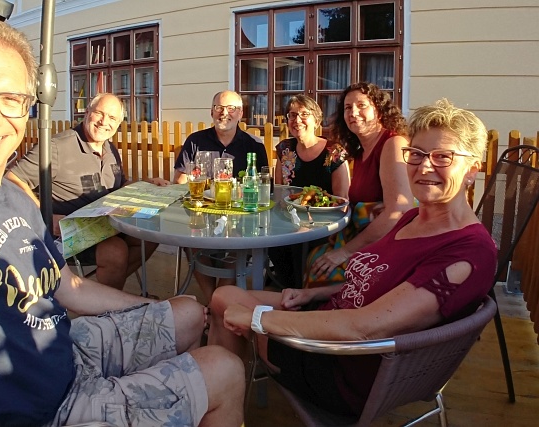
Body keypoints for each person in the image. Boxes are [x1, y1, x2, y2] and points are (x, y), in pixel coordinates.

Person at [0, 17, 244, 427]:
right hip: (43, 409)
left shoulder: (16, 196)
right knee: (225, 369)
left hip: (67, 348)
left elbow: (65, 285)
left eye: (11, 99)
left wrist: (149, 307)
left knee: (186, 310)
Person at [208, 98, 497, 417]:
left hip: (342, 366)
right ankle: (226, 392)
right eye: (416, 154)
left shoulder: (467, 253)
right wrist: (314, 293)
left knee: (227, 306)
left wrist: (258, 320)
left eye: (442, 157)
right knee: (224, 297)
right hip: (332, 322)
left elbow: (366, 328)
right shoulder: (413, 218)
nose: (424, 166)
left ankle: (222, 399)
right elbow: (379, 282)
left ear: (472, 170)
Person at [6, 93, 167, 291]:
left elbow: (119, 184)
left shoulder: (109, 148)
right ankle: (106, 303)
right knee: (115, 251)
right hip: (66, 233)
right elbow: (12, 179)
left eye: (112, 118)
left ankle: (100, 291)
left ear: (119, 124)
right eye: (99, 113)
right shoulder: (57, 147)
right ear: (87, 112)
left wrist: (146, 184)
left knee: (152, 234)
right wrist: (45, 216)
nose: (104, 122)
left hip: (107, 225)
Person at [304, 82, 413, 287]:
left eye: (361, 105)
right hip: (363, 239)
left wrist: (344, 252)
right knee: (313, 257)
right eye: (348, 108)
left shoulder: (393, 143)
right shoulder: (361, 151)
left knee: (321, 272)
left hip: (388, 248)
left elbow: (399, 211)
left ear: (378, 110)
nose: (353, 112)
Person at [173, 90, 269, 303]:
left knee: (241, 242)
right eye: (219, 108)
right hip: (202, 213)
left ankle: (219, 298)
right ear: (211, 111)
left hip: (240, 217)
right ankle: (211, 301)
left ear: (240, 113)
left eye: (231, 108)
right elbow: (179, 182)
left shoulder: (254, 146)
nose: (224, 113)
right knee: (193, 239)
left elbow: (263, 186)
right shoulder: (195, 141)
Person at [269, 94, 350, 288]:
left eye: (304, 114)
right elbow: (279, 191)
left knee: (300, 245)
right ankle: (288, 289)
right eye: (292, 115)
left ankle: (299, 293)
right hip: (290, 219)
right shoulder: (285, 149)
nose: (297, 120)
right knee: (273, 245)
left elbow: (342, 200)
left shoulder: (334, 152)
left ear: (317, 121)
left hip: (324, 224)